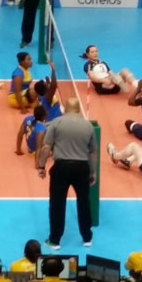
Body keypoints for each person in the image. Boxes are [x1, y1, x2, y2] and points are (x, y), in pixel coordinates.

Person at [36, 98, 95, 250]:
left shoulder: (56, 123)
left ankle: (54, 240)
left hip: (61, 168)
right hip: (82, 168)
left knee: (57, 204)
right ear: (78, 110)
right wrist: (92, 172)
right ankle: (87, 238)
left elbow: (46, 147)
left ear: (65, 109)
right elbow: (93, 152)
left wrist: (41, 166)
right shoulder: (87, 126)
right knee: (84, 203)